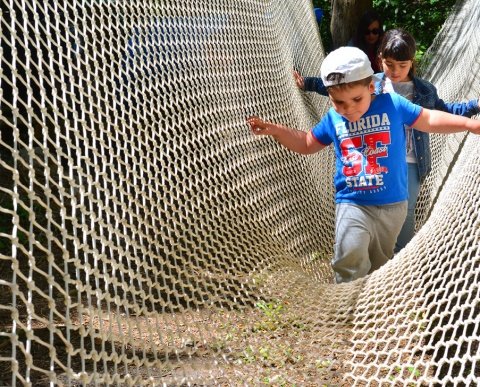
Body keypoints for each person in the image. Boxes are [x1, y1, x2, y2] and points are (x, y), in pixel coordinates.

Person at [247, 47, 480, 283]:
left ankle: (370, 305)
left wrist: (469, 125)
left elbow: (429, 119)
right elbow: (307, 143)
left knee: (379, 264)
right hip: (353, 203)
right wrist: (276, 130)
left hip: (394, 205)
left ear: (371, 88)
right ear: (330, 97)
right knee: (350, 258)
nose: (349, 108)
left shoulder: (393, 104)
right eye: (339, 102)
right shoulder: (333, 118)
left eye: (356, 99)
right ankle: (344, 308)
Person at [376, 29, 480, 252]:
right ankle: (378, 253)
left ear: (411, 63)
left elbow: (444, 111)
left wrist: (474, 106)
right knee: (379, 207)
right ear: (380, 59)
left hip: (412, 160)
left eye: (402, 65)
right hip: (380, 159)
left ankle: (401, 256)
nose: (395, 71)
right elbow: (341, 91)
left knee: (407, 208)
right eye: (389, 64)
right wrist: (309, 84)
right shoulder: (371, 86)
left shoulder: (423, 90)